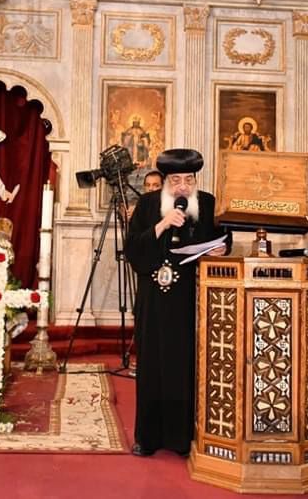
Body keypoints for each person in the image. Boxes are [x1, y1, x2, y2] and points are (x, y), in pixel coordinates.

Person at [125, 148, 230, 457]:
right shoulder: (147, 204)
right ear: (166, 181)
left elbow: (224, 237)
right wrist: (161, 225)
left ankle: (182, 438)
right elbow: (133, 249)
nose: (183, 187)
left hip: (190, 299)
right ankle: (148, 438)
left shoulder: (207, 204)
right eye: (176, 181)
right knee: (152, 365)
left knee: (186, 366)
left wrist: (222, 250)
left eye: (189, 180)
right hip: (154, 299)